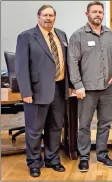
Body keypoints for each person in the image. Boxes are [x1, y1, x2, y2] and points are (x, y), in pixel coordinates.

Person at [15, 4, 71, 177]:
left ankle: (52, 159)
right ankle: (34, 162)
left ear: (55, 17)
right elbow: (21, 66)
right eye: (45, 15)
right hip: (37, 91)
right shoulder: (26, 36)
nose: (48, 18)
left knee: (55, 127)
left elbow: (64, 62)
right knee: (34, 129)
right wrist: (26, 92)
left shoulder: (61, 34)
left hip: (59, 88)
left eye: (51, 15)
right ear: (38, 17)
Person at [68, 1, 112, 172]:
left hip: (108, 89)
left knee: (105, 123)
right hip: (87, 89)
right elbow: (72, 62)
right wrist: (78, 85)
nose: (98, 14)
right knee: (84, 125)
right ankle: (84, 157)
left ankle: (102, 154)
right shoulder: (78, 36)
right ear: (87, 14)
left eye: (100, 12)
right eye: (94, 12)